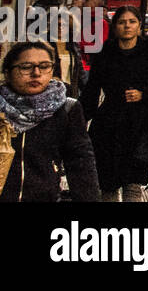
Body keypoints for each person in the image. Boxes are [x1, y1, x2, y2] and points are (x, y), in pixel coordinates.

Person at [81, 6, 148, 202]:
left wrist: (145, 94)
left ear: (139, 25)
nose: (127, 26)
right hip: (108, 123)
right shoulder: (105, 52)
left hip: (140, 123)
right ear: (115, 27)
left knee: (133, 181)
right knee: (107, 180)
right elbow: (92, 89)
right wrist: (79, 120)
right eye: (122, 22)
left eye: (132, 22)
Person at [0, 41, 98, 202]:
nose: (36, 73)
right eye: (25, 67)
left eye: (44, 66)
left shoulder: (66, 109)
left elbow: (81, 165)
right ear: (8, 72)